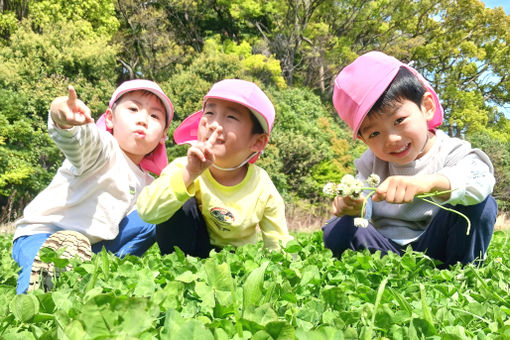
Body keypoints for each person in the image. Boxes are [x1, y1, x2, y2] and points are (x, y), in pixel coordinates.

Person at [322, 51, 497, 268]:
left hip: (437, 244)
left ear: (427, 107)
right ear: (363, 140)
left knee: (481, 205)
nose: (392, 139)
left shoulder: (451, 151)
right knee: (338, 226)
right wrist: (355, 206)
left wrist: (431, 183)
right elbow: (365, 204)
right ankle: (375, 269)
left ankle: (461, 270)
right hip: (384, 248)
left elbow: (481, 180)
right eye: (374, 134)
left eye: (399, 120)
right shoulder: (370, 163)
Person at [12, 79, 174, 293]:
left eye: (154, 116)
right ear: (109, 118)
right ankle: (33, 302)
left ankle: (95, 272)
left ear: (163, 135)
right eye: (133, 109)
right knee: (44, 265)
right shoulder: (102, 149)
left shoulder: (148, 183)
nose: (143, 119)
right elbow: (81, 139)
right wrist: (64, 116)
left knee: (156, 210)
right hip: (43, 234)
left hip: (91, 248)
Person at [137, 79, 292, 257]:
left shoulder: (261, 185)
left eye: (231, 117)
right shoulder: (184, 166)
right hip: (187, 256)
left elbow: (277, 241)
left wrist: (282, 272)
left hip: (233, 260)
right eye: (209, 112)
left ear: (257, 141)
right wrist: (190, 173)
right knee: (179, 191)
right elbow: (147, 212)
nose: (214, 124)